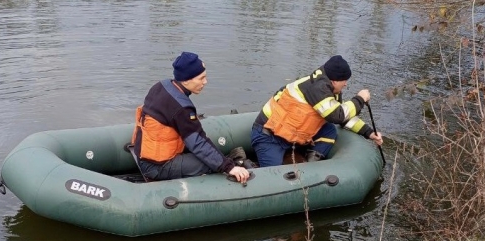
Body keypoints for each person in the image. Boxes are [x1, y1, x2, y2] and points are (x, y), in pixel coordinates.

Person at [131, 52, 250, 183]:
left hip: (143, 155)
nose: (205, 82)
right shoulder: (182, 108)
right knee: (210, 164)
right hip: (157, 167)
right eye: (201, 78)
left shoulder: (161, 85)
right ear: (187, 80)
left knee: (212, 155)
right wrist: (229, 167)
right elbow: (198, 143)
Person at [250, 55, 383, 167]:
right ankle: (246, 164)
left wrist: (369, 133)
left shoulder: (329, 89)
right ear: (334, 81)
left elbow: (344, 117)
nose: (346, 84)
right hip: (269, 135)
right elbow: (338, 115)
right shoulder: (317, 89)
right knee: (274, 176)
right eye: (344, 81)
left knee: (329, 130)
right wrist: (360, 99)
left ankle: (311, 166)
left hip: (291, 134)